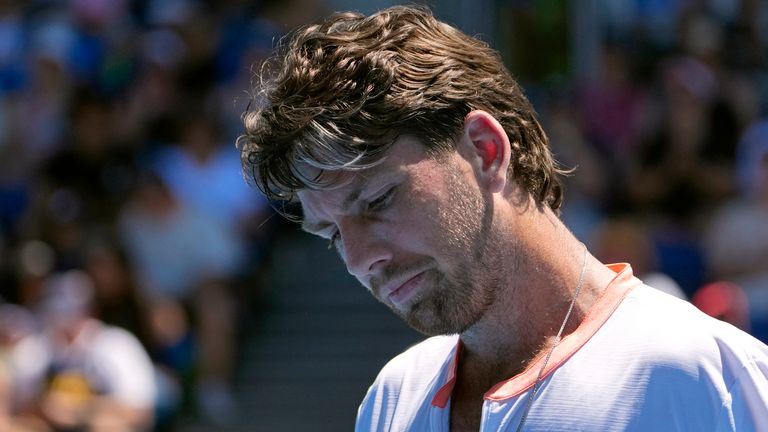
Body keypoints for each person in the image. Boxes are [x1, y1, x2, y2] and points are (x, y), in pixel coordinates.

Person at [237, 6, 768, 431]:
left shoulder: (709, 374)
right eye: (331, 233)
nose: (358, 260)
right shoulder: (391, 400)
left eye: (377, 201)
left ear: (486, 150)